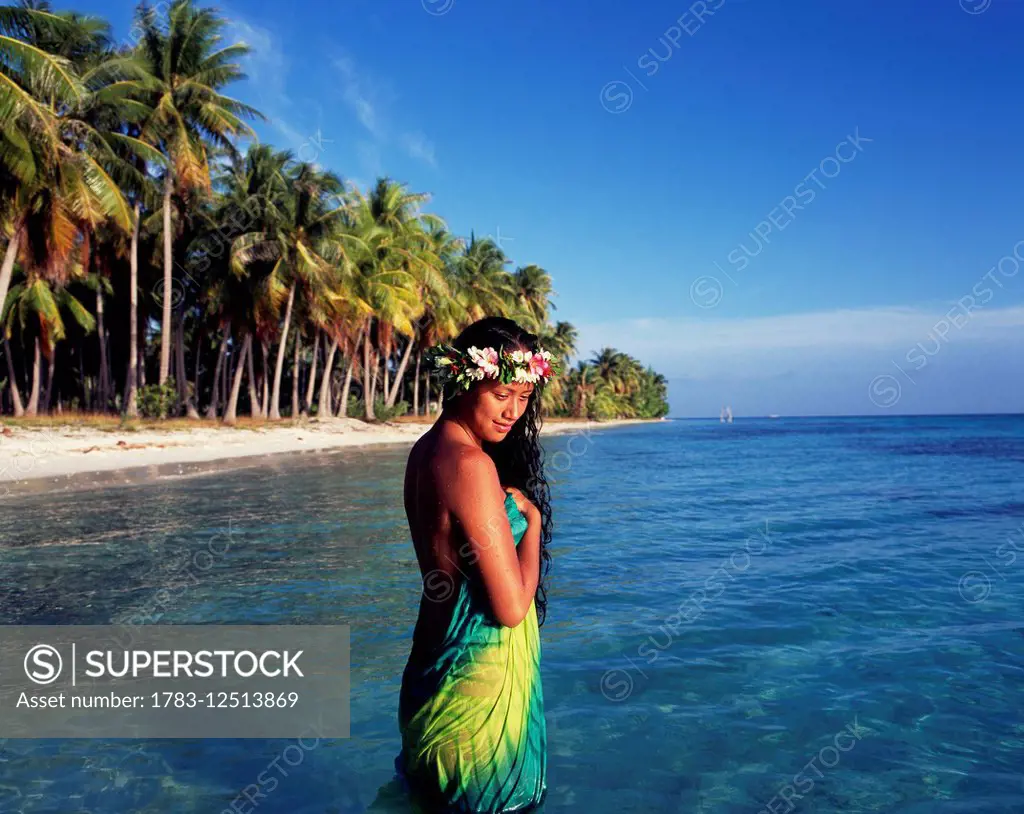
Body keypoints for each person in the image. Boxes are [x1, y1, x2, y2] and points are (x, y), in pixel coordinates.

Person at [394, 317, 557, 813]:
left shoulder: (425, 451)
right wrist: (531, 524)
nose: (514, 411)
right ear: (468, 379)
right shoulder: (471, 464)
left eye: (525, 398)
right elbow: (509, 608)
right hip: (474, 696)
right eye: (503, 393)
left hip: (431, 674)